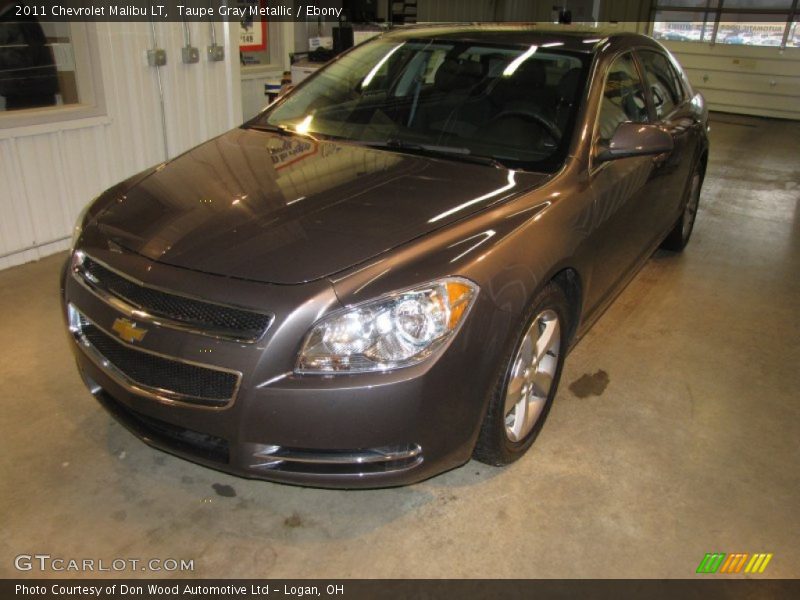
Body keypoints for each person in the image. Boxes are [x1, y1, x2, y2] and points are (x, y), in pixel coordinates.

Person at [0, 0, 59, 110]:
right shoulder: (20, 15)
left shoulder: (11, 21)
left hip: (26, 93)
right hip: (34, 90)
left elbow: (19, 61)